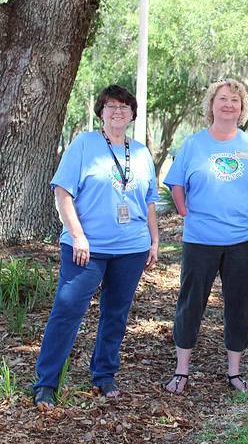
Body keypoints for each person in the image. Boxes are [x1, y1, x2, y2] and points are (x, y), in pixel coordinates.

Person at [33, 85, 159, 408]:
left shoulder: (142, 153)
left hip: (131, 248)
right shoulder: (84, 145)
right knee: (67, 311)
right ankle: (46, 381)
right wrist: (77, 235)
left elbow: (149, 203)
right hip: (86, 248)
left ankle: (104, 374)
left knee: (116, 313)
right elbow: (62, 193)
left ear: (132, 113)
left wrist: (154, 240)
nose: (117, 112)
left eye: (124, 107)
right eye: (111, 106)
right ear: (101, 112)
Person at [163, 79, 248, 394]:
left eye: (235, 101)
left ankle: (235, 373)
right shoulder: (193, 144)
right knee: (191, 303)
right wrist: (184, 210)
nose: (228, 105)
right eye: (223, 99)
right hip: (201, 239)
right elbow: (175, 183)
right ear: (211, 105)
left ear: (242, 110)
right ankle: (182, 370)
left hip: (244, 240)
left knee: (238, 305)